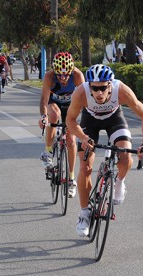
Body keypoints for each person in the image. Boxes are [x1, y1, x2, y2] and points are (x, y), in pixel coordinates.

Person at [66, 64, 143, 237]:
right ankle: (84, 214)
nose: (99, 93)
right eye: (95, 88)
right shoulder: (80, 93)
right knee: (85, 168)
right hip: (90, 122)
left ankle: (119, 182)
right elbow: (70, 120)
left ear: (110, 85)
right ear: (89, 86)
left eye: (103, 88)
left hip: (114, 119)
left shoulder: (121, 90)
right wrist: (83, 137)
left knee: (126, 156)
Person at [38, 52, 85, 198]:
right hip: (54, 102)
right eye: (60, 75)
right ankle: (48, 151)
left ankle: (71, 179)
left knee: (71, 141)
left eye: (66, 75)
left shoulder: (77, 76)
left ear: (71, 71)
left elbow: (84, 99)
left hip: (71, 105)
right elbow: (44, 100)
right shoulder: (49, 76)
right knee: (54, 115)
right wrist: (43, 117)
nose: (63, 78)